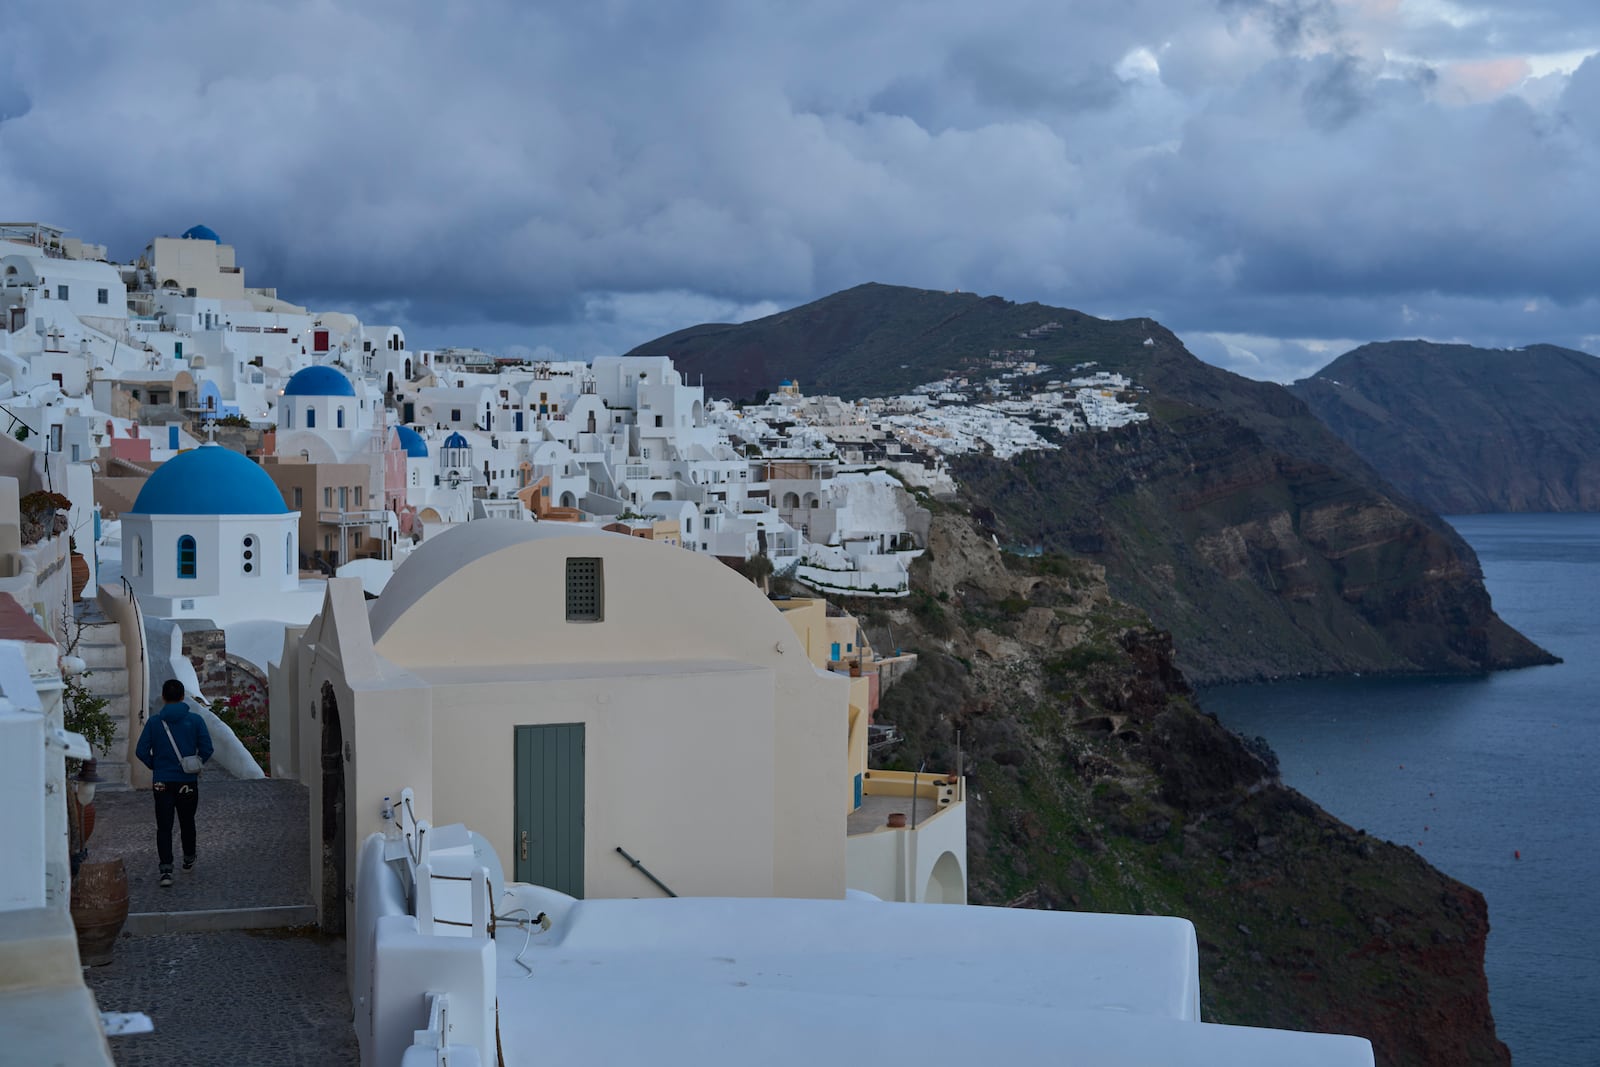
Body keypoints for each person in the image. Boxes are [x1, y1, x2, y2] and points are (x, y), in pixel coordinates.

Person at [135, 680, 214, 888]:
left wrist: (156, 766)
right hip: (187, 780)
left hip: (162, 781)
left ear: (163, 697)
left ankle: (166, 870)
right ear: (182, 697)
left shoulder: (154, 722)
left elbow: (141, 751)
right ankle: (188, 857)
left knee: (164, 826)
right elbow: (207, 749)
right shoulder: (195, 720)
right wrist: (195, 764)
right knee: (187, 821)